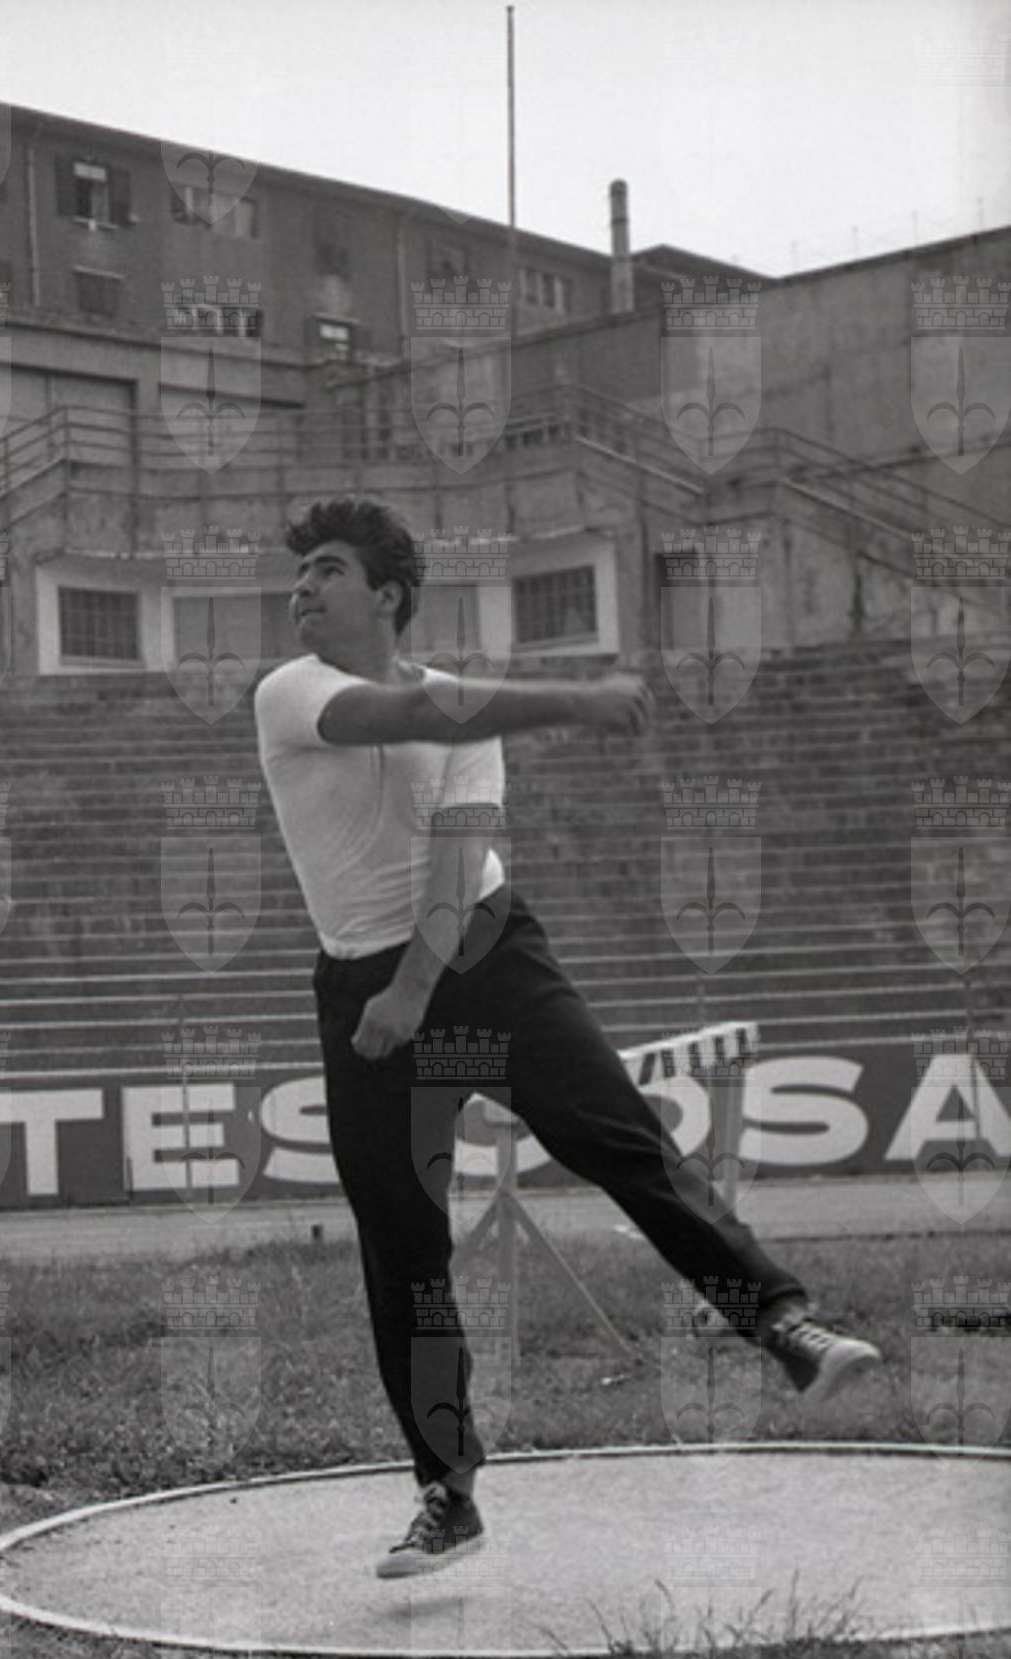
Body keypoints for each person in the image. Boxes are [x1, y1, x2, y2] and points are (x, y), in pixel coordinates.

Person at [253, 496, 880, 1581]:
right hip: (358, 981)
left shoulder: (469, 713)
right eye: (301, 573)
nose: (303, 588)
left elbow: (459, 857)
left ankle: (786, 1327)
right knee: (402, 1246)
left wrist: (415, 988)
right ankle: (448, 1494)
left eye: (330, 570)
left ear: (389, 595)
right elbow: (411, 715)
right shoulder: (291, 691)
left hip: (485, 953)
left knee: (620, 1139)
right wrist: (579, 701)